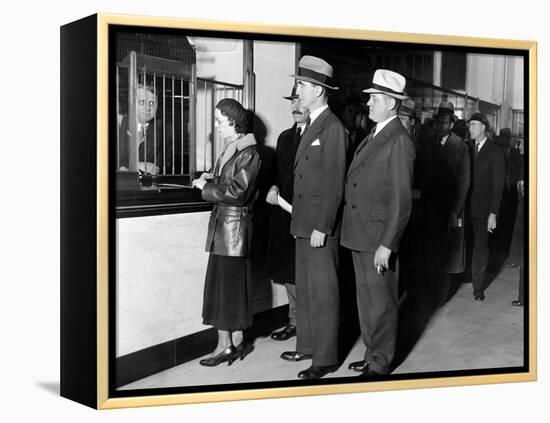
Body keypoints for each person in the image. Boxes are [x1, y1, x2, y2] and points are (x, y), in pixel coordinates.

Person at [340, 69, 415, 376]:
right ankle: (373, 353)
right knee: (366, 301)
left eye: (374, 99)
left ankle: (381, 363)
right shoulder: (376, 133)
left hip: (377, 237)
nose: (367, 104)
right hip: (360, 233)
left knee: (381, 304)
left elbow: (402, 201)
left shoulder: (398, 140)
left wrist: (388, 243)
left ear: (391, 104)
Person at [280, 55, 347, 380]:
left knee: (323, 293)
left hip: (320, 227)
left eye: (303, 85)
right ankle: (306, 345)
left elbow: (334, 182)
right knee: (306, 290)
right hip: (303, 224)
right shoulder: (312, 124)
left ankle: (326, 357)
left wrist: (323, 226)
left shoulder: (332, 127)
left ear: (319, 90)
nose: (298, 90)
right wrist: (301, 225)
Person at [192, 98, 261, 366]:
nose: (218, 127)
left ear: (234, 123)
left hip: (234, 231)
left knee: (226, 289)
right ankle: (235, 341)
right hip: (226, 229)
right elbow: (229, 181)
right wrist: (211, 178)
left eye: (221, 122)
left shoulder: (249, 153)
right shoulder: (234, 149)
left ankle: (225, 347)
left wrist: (205, 189)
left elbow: (237, 193)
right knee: (226, 288)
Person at [265, 87, 310, 341]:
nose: (296, 106)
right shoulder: (284, 138)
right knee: (290, 272)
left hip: (308, 216)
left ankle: (307, 323)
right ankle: (295, 320)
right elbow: (276, 174)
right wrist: (273, 186)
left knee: (305, 272)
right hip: (285, 213)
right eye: (293, 101)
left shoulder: (320, 135)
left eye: (301, 101)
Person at [419, 101, 470, 307]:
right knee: (430, 252)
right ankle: (430, 294)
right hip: (430, 208)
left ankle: (441, 296)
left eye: (444, 122)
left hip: (449, 209)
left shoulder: (460, 147)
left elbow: (464, 182)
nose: (440, 126)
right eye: (438, 122)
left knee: (447, 255)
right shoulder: (429, 143)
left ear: (451, 124)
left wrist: (455, 212)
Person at [466, 112, 505, 301]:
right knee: (467, 245)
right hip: (467, 208)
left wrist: (493, 213)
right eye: (470, 124)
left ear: (483, 127)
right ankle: (468, 277)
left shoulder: (494, 151)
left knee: (480, 248)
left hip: (483, 210)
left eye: (474, 125)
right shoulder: (467, 148)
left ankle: (478, 287)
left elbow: (498, 186)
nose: (470, 128)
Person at [118, 83, 172, 174]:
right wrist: (137, 165)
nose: (147, 108)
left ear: (157, 105)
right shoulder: (120, 123)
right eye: (142, 102)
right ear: (133, 103)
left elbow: (161, 167)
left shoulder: (164, 129)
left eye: (151, 103)